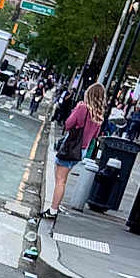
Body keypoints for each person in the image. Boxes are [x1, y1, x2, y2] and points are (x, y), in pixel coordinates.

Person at [42, 80, 105, 219]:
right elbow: (95, 136)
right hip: (81, 150)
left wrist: (76, 110)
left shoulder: (83, 107)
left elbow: (69, 124)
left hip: (70, 146)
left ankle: (53, 210)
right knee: (63, 179)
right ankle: (53, 208)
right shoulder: (99, 115)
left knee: (60, 180)